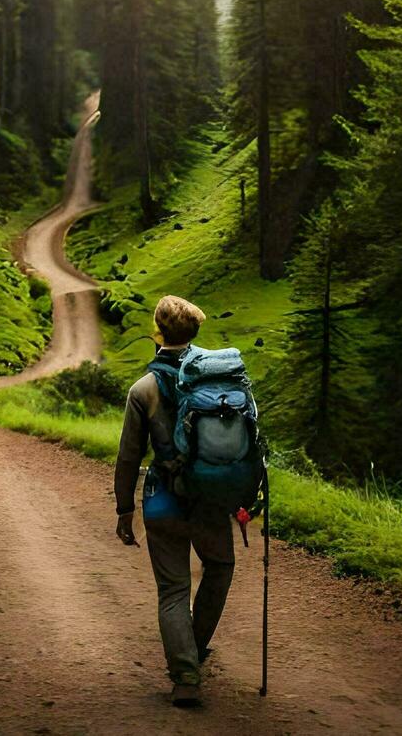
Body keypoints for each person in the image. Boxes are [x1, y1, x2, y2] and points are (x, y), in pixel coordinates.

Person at [113, 295, 234, 707]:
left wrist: (124, 509)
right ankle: (194, 648)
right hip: (211, 498)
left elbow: (129, 455)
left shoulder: (143, 389)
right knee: (220, 567)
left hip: (164, 499)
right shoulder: (219, 382)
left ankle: (185, 674)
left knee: (173, 591)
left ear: (157, 330)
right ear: (194, 332)